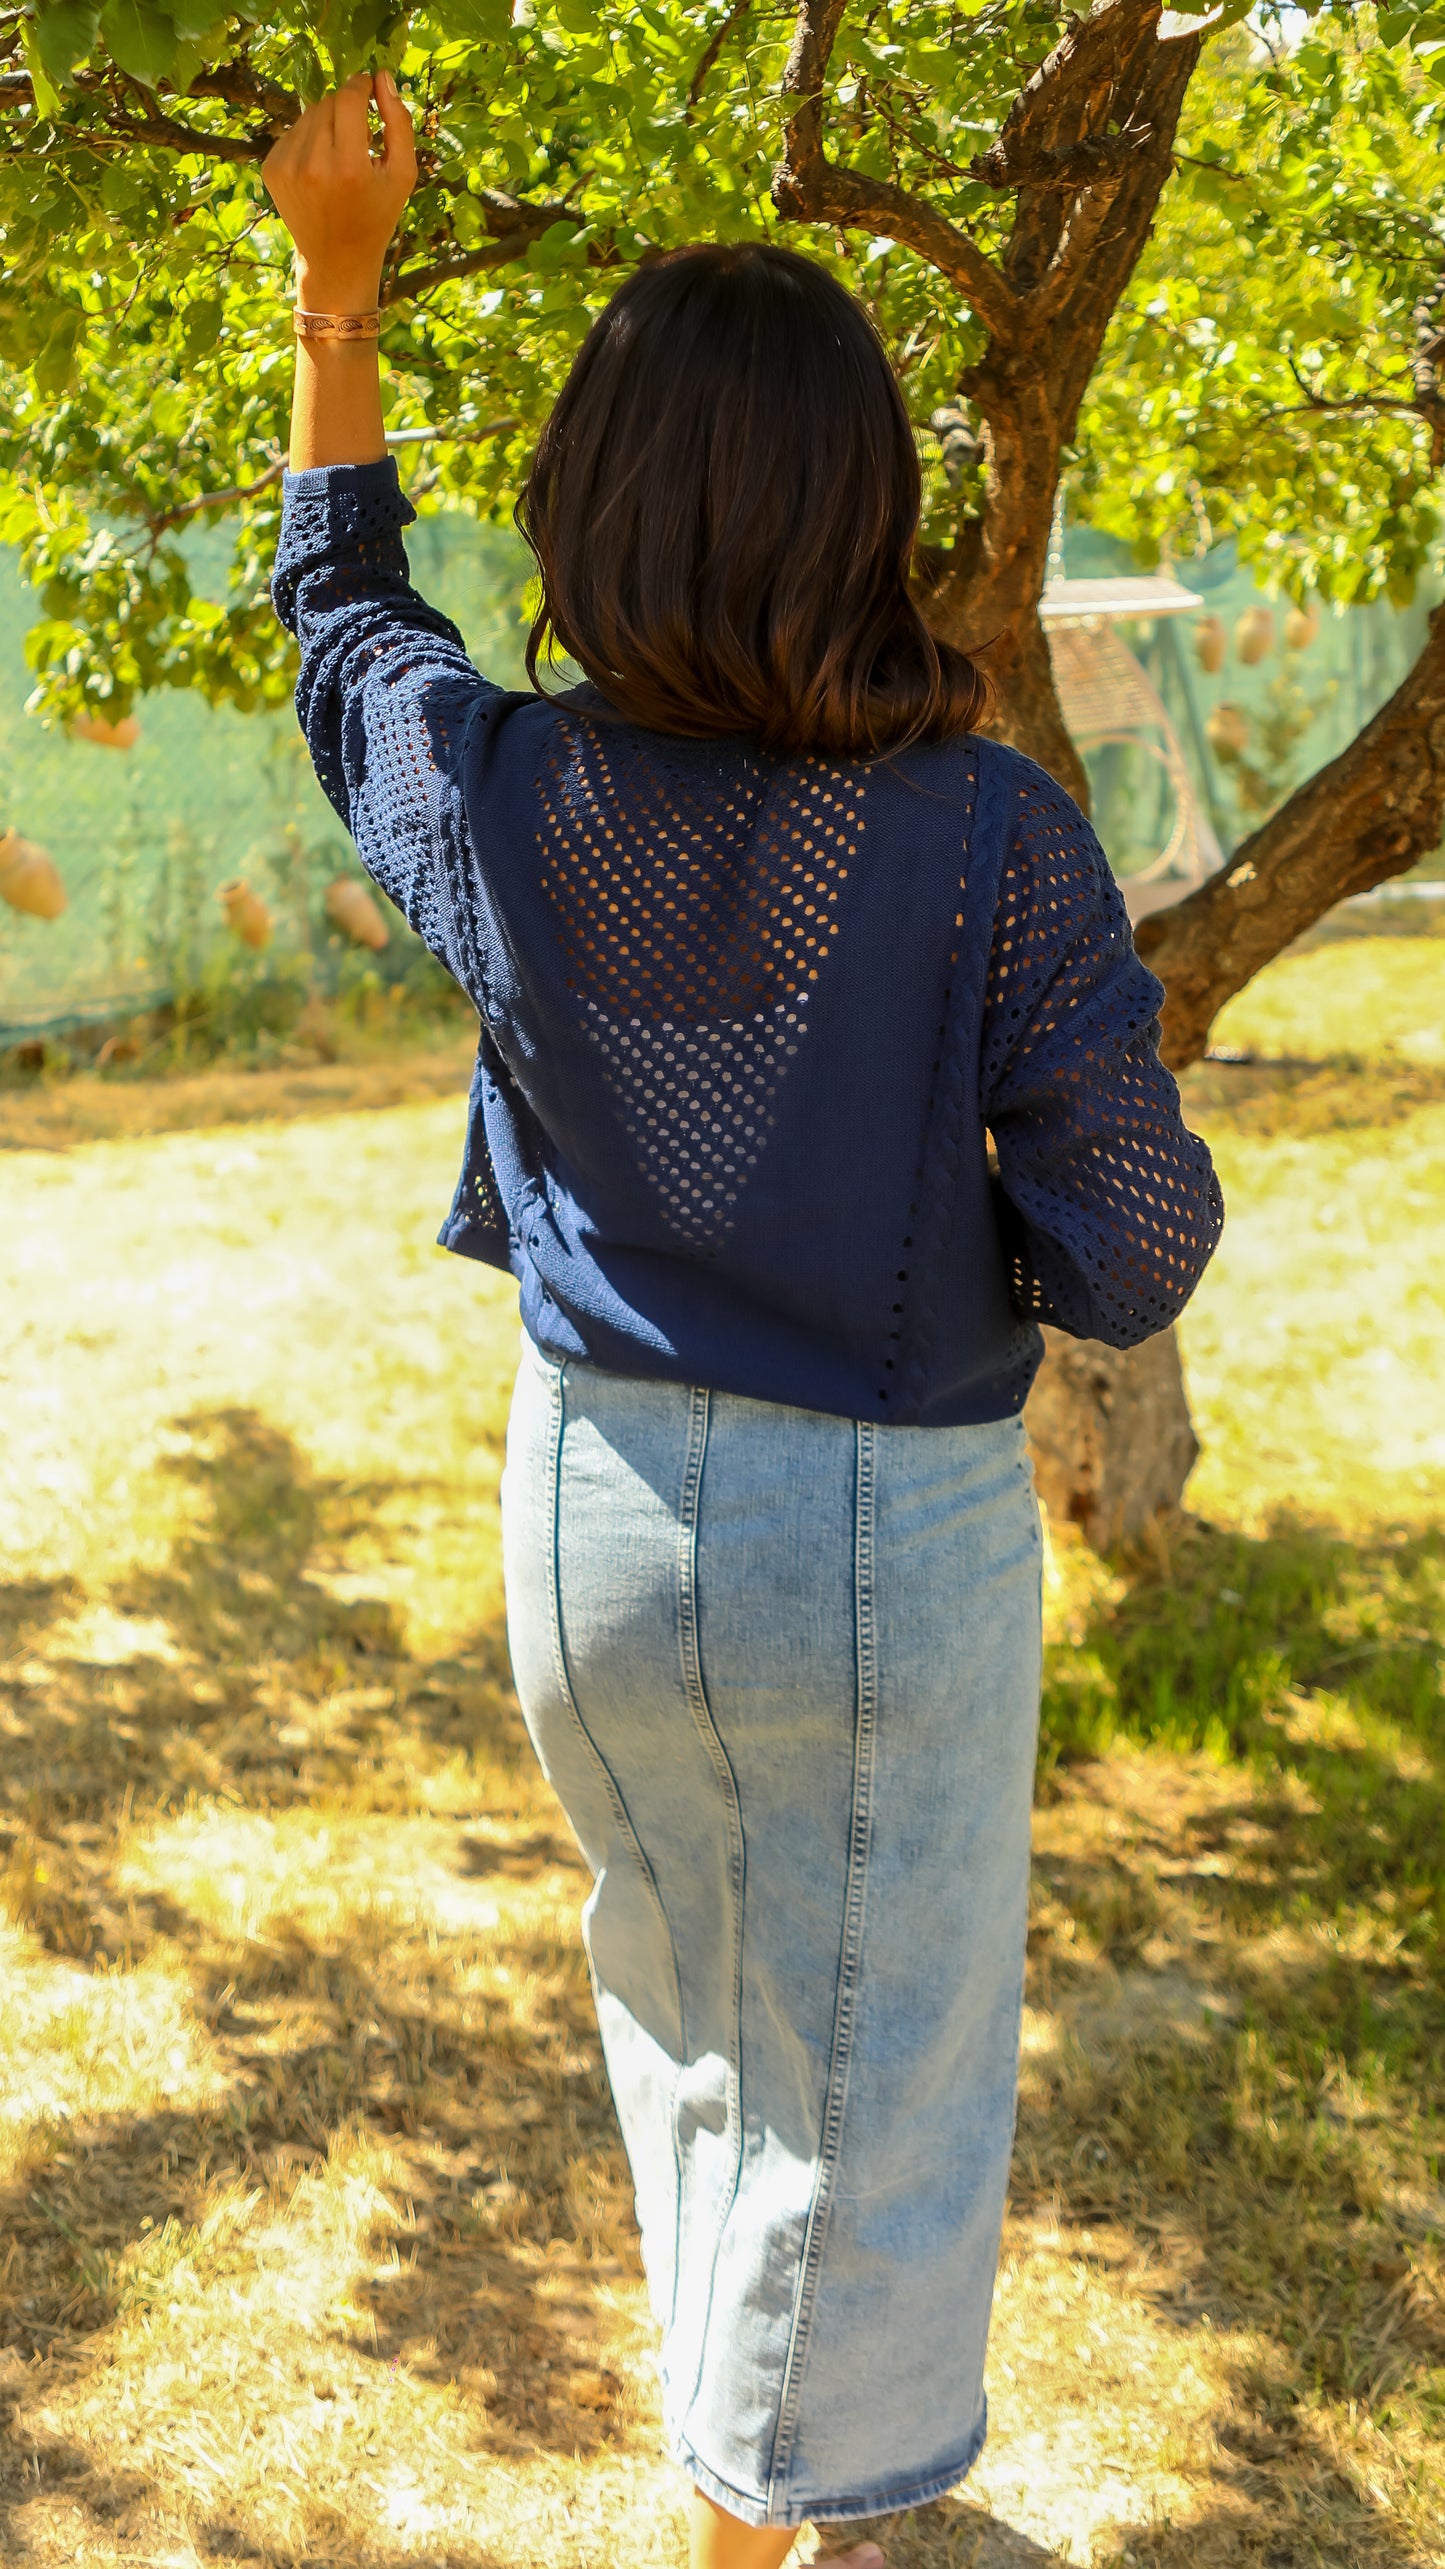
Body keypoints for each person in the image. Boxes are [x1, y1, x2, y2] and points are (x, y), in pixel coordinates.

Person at [263, 73, 1223, 2569]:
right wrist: (960, 1243)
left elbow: (348, 623)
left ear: (590, 512)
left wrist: (334, 289)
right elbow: (1136, 1231)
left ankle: (739, 2479)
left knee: (692, 2022)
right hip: (877, 1530)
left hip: (587, 1510)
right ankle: (762, 2520)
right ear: (867, 514)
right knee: (869, 2099)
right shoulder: (985, 830)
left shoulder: (504, 801)